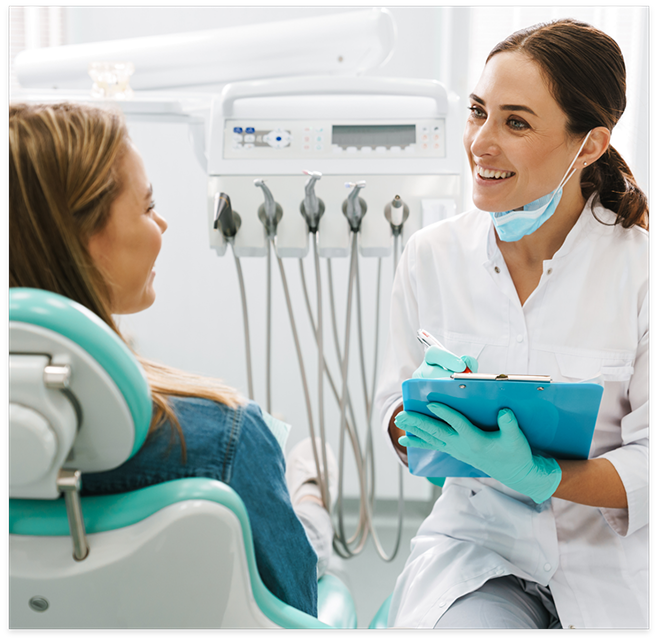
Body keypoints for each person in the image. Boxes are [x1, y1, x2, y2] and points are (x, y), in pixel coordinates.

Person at [9, 101, 337, 618]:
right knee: (310, 538)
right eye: (146, 207)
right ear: (82, 240)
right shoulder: (223, 439)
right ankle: (311, 484)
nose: (161, 223)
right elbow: (298, 609)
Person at [375, 19, 648, 629]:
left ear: (592, 145)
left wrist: (544, 476)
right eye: (478, 112)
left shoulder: (640, 273)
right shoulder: (432, 256)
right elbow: (391, 406)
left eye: (515, 122)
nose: (480, 142)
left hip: (613, 566)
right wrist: (416, 424)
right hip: (479, 552)